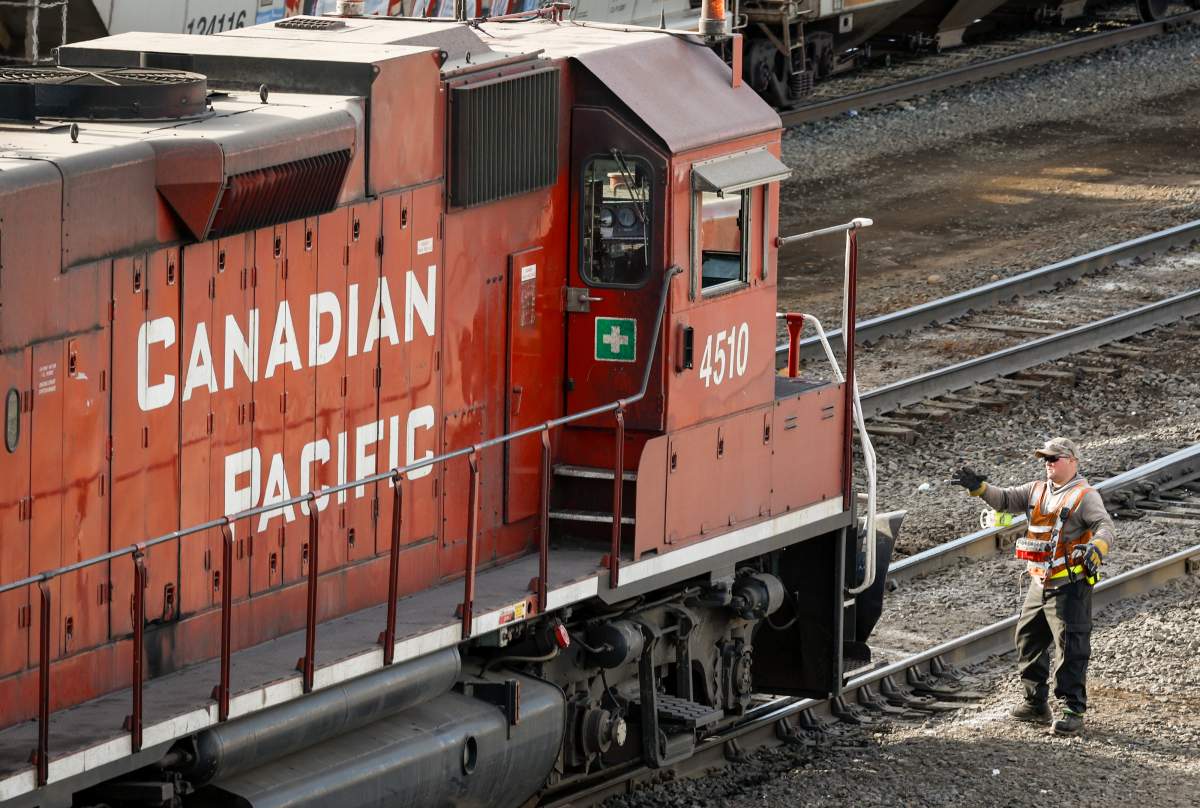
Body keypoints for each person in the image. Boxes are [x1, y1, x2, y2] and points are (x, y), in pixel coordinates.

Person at [951, 437, 1114, 736]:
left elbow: (1105, 526)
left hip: (1069, 584)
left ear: (1072, 461)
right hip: (1040, 582)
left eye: (1054, 458)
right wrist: (979, 488)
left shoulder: (1084, 496)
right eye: (1045, 459)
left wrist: (1096, 548)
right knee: (1027, 638)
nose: (1048, 463)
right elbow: (1004, 499)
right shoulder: (1036, 490)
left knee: (1071, 647)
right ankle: (1035, 703)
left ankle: (1072, 709)